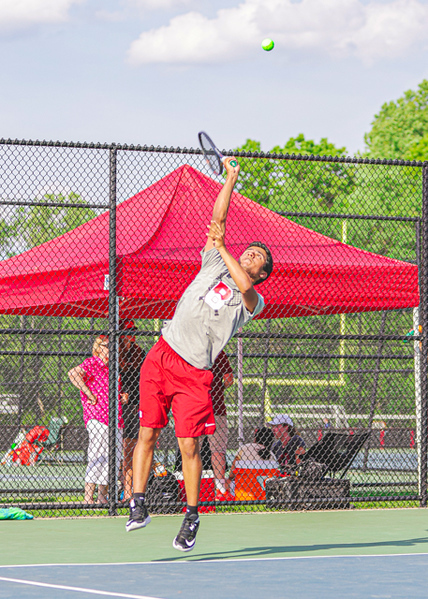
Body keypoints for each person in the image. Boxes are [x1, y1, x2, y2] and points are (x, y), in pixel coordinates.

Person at [127, 157, 273, 552]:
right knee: (147, 434)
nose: (251, 254)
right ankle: (138, 503)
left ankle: (191, 517)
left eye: (258, 257)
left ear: (261, 274)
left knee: (190, 446)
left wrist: (226, 250)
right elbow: (218, 221)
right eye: (251, 250)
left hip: (195, 373)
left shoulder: (253, 300)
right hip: (161, 356)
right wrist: (230, 179)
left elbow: (241, 282)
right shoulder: (214, 261)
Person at [68, 335, 125, 504]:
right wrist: (88, 393)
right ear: (98, 348)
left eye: (113, 346)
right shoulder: (93, 363)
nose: (111, 349)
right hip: (98, 417)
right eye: (107, 346)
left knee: (112, 456)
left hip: (115, 418)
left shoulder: (113, 367)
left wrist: (122, 397)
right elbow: (73, 373)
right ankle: (88, 497)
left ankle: (102, 496)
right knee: (97, 453)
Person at [119, 321, 146, 501]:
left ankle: (129, 490)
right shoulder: (114, 351)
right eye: (128, 333)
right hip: (116, 406)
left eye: (133, 333)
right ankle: (119, 488)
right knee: (117, 450)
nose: (132, 336)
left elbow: (141, 378)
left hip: (133, 405)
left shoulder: (139, 353)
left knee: (131, 448)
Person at [209, 349, 234, 502]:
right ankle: (220, 489)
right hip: (216, 407)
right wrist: (219, 388)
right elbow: (228, 379)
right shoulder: (217, 351)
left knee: (192, 450)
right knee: (217, 450)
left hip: (196, 406)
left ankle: (193, 488)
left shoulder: (192, 346)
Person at [227, 427, 277, 499]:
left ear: (255, 438)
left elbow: (231, 475)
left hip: (243, 494)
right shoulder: (272, 456)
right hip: (264, 496)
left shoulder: (244, 449)